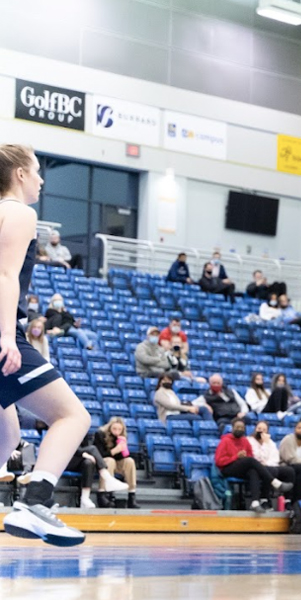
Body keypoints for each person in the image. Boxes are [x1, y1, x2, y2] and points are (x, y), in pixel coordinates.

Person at [0, 144, 93, 545]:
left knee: (7, 436)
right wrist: (6, 335)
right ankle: (34, 503)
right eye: (37, 171)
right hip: (2, 330)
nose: (41, 179)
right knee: (73, 416)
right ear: (20, 173)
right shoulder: (19, 212)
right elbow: (4, 275)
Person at [214, 419, 293, 513]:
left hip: (241, 468)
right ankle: (275, 483)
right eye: (237, 427)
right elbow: (219, 461)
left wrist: (243, 458)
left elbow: (250, 455)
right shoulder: (225, 441)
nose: (240, 429)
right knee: (251, 461)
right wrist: (236, 457)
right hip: (227, 468)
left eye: (242, 428)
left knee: (253, 470)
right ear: (232, 428)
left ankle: (255, 502)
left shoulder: (244, 441)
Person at [67, 437, 130, 509]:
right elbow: (64, 446)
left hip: (77, 458)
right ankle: (108, 479)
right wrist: (82, 453)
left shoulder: (82, 431)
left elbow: (84, 447)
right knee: (92, 449)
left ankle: (84, 499)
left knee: (88, 462)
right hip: (63, 461)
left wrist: (85, 455)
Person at [94, 417, 140, 509]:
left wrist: (123, 449)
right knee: (110, 461)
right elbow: (99, 454)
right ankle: (103, 493)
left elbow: (122, 457)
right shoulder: (100, 434)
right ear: (109, 427)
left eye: (119, 429)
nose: (117, 431)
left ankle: (132, 495)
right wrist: (115, 450)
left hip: (117, 464)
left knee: (130, 461)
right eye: (114, 429)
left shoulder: (121, 437)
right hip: (102, 463)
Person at [247, 421, 296, 499]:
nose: (261, 431)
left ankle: (287, 500)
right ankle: (264, 498)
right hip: (255, 468)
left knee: (289, 471)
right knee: (270, 471)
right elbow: (258, 457)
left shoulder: (270, 443)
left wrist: (267, 463)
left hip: (270, 466)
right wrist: (265, 445)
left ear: (267, 432)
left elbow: (275, 458)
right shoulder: (249, 441)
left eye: (264, 429)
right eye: (259, 428)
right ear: (255, 429)